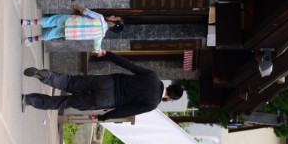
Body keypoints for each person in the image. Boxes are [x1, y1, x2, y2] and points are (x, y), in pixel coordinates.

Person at [21, 52, 184, 121]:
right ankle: (28, 100)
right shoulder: (152, 104)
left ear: (170, 85)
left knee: (70, 82)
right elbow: (125, 111)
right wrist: (102, 118)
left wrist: (108, 54)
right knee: (64, 102)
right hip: (107, 100)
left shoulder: (152, 76)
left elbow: (129, 65)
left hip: (107, 81)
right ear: (169, 98)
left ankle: (47, 76)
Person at [22, 4, 124, 53]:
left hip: (70, 20)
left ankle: (28, 22)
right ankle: (30, 40)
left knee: (51, 21)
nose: (112, 16)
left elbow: (86, 12)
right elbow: (96, 48)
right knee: (51, 35)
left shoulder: (100, 18)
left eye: (115, 17)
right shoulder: (100, 35)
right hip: (71, 33)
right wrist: (101, 51)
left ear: (112, 24)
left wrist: (77, 7)